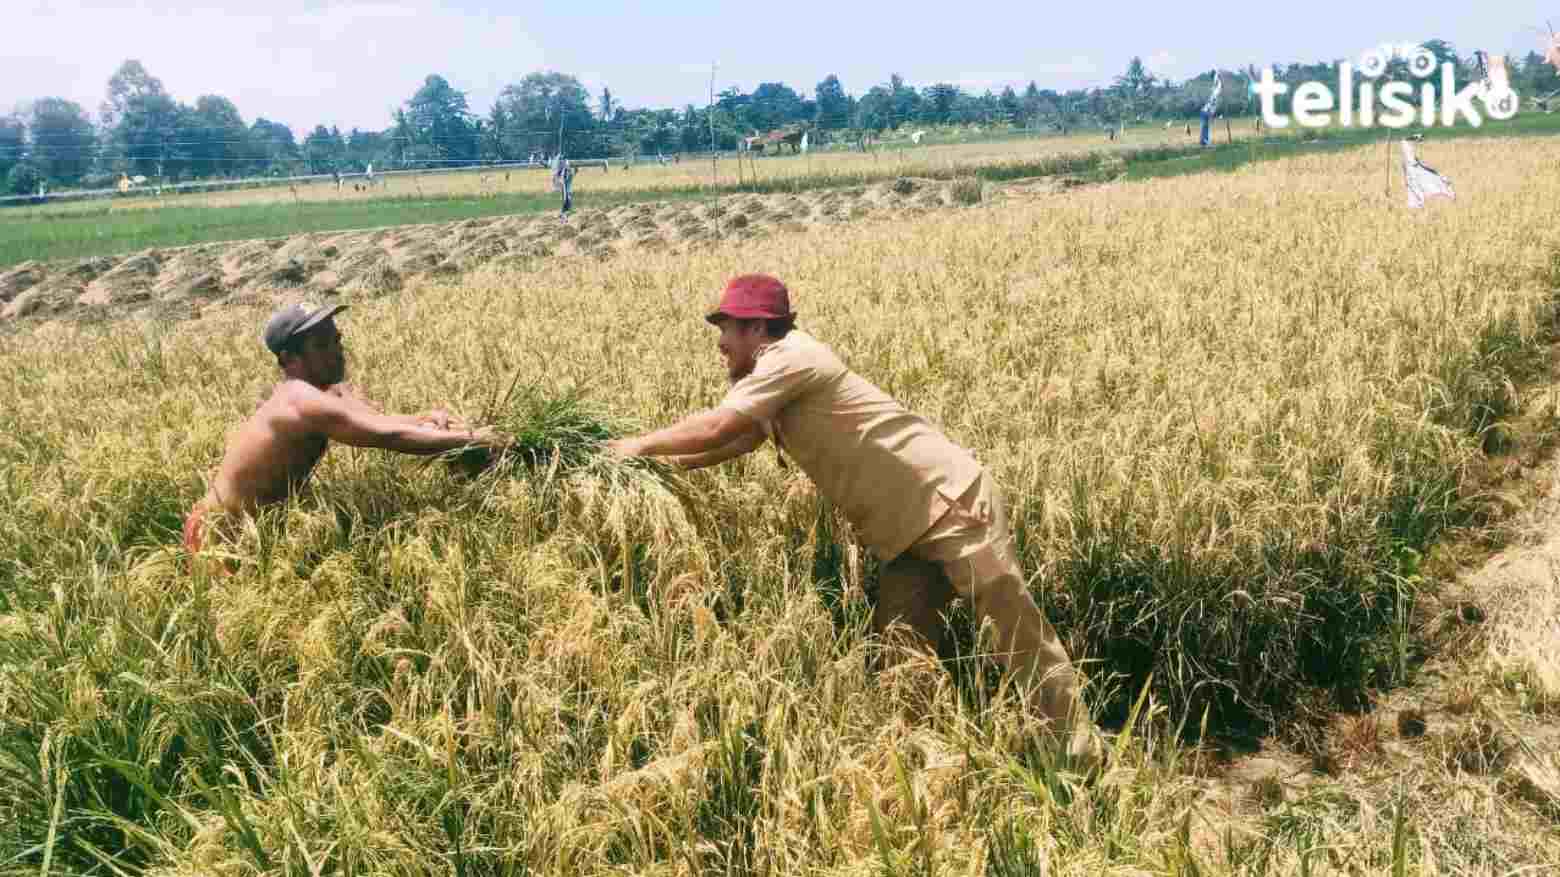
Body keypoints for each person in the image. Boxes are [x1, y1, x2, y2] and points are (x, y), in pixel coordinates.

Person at [606, 275, 1101, 769]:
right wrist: (661, 467)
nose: (720, 343)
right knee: (902, 652)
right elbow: (741, 440)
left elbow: (719, 426)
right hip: (905, 531)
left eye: (726, 328)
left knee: (1015, 630)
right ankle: (924, 767)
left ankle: (1077, 757)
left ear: (756, 328)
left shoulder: (792, 357)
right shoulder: (772, 374)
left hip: (952, 505)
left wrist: (638, 446)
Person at [183, 301, 507, 567]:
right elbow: (387, 437)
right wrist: (475, 439)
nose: (336, 351)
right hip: (220, 536)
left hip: (261, 530)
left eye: (336, 340)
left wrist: (426, 419)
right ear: (289, 359)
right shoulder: (299, 399)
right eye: (321, 345)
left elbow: (380, 421)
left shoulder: (328, 390)